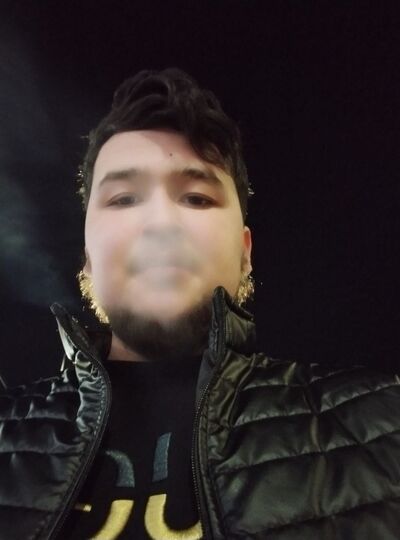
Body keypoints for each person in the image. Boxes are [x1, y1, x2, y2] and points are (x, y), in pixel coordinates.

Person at [0, 68, 399, 540]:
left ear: (245, 254)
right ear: (87, 260)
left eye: (196, 197)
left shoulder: (385, 422)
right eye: (124, 199)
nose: (160, 222)